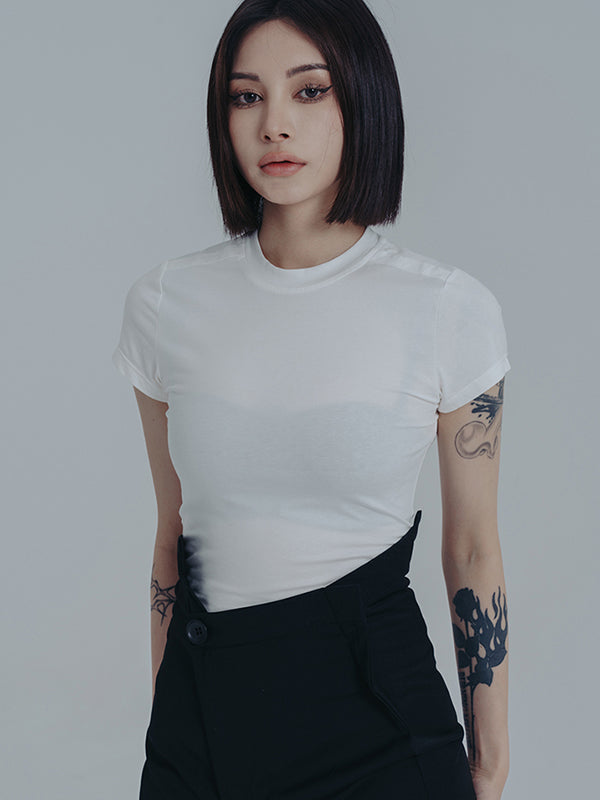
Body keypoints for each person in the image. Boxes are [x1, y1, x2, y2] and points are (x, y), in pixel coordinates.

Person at [112, 1, 510, 798]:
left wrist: (491, 762)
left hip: (378, 724)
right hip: (203, 724)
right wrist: (173, 718)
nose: (275, 125)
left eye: (309, 90)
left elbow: (472, 547)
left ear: (362, 99)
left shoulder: (446, 308)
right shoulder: (165, 303)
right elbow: (173, 535)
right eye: (246, 96)